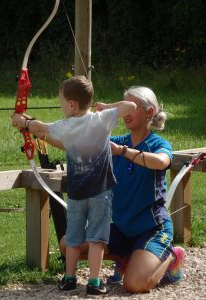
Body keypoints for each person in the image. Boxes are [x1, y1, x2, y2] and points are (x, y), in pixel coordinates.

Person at [12, 75, 137, 296]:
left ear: (71, 105)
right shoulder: (102, 119)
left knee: (73, 238)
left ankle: (69, 278)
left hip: (77, 194)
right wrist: (107, 107)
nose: (61, 107)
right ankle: (94, 282)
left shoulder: (65, 126)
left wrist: (24, 122)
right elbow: (131, 106)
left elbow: (42, 128)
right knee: (97, 239)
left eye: (62, 102)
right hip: (101, 192)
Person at [60, 85, 186, 293]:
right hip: (121, 229)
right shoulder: (117, 142)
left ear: (149, 113)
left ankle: (172, 257)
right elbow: (78, 140)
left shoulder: (157, 143)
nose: (126, 114)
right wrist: (33, 128)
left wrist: (124, 152)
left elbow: (161, 162)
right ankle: (127, 256)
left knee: (134, 284)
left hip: (153, 229)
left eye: (132, 108)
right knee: (67, 244)